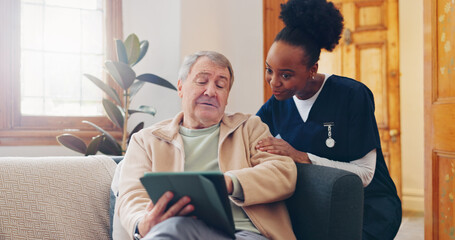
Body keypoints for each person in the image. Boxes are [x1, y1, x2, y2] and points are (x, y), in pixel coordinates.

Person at [255, 0, 402, 239]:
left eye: (286, 75)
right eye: (269, 70)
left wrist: (301, 157)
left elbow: (365, 174)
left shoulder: (352, 95)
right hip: (318, 207)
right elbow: (248, 135)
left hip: (367, 210)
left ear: (312, 70)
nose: (273, 82)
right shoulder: (276, 105)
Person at [115, 51, 297, 240]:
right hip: (177, 231)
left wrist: (229, 182)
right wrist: (142, 223)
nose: (211, 91)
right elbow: (131, 195)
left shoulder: (249, 128)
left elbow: (282, 172)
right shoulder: (146, 140)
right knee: (173, 228)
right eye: (201, 81)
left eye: (221, 85)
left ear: (227, 97)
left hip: (246, 234)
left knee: (173, 229)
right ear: (180, 87)